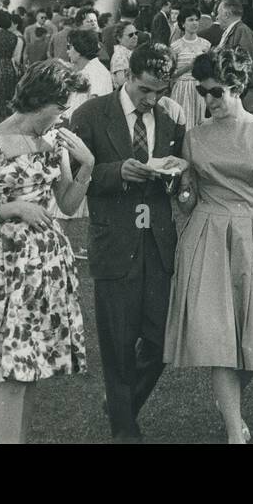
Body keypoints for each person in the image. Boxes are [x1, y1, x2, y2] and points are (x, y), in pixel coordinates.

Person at [0, 59, 93, 443]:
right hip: (2, 267)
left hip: (44, 267)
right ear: (42, 101)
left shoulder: (52, 142)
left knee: (31, 368)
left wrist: (87, 166)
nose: (63, 116)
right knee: (11, 371)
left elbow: (66, 202)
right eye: (61, 108)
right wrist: (10, 209)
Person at [165, 46, 253, 444]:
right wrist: (178, 187)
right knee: (219, 339)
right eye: (204, 93)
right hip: (206, 237)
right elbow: (187, 200)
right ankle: (233, 433)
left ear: (237, 86)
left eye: (217, 91)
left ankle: (230, 406)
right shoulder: (194, 137)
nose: (209, 101)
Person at [70, 42, 184, 442]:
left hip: (158, 246)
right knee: (117, 346)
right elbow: (72, 182)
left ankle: (120, 404)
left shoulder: (170, 120)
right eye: (145, 91)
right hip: (114, 244)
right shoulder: (90, 115)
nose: (152, 100)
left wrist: (174, 176)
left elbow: (180, 173)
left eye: (160, 92)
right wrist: (117, 172)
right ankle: (124, 428)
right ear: (127, 77)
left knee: (160, 341)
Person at [216, 0, 253, 113]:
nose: (217, 17)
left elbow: (244, 63)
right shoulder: (235, 30)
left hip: (242, 94)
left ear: (226, 14)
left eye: (218, 13)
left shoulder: (242, 30)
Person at [169, 8, 211, 128]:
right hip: (182, 88)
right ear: (183, 23)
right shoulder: (175, 46)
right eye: (190, 20)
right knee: (182, 124)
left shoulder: (206, 45)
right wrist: (190, 66)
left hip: (199, 88)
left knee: (199, 125)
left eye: (197, 20)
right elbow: (170, 74)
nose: (194, 23)